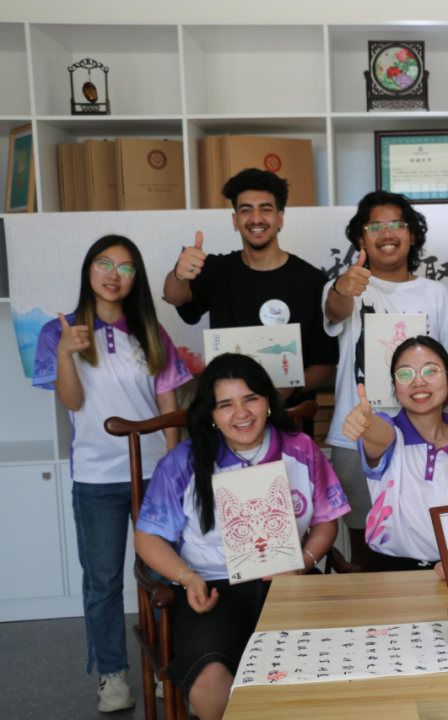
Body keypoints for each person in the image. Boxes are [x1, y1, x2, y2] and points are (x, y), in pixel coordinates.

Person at [134, 354, 349, 720]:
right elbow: (147, 538)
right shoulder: (184, 461)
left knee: (332, 663)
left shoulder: (300, 448)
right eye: (225, 404)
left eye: (251, 398)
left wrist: (303, 563)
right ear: (211, 414)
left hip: (289, 583)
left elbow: (327, 522)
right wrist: (188, 578)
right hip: (212, 589)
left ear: (268, 401)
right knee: (210, 681)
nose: (241, 413)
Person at [32, 235, 192, 712]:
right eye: (104, 263)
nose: (113, 275)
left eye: (125, 268)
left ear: (135, 278)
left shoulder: (149, 330)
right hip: (96, 478)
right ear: (89, 269)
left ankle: (166, 668)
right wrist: (66, 353)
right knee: (102, 582)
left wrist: (176, 467)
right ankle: (113, 676)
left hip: (154, 476)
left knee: (166, 576)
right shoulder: (58, 330)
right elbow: (72, 401)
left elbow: (167, 403)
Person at [324, 191, 448, 563]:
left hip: (424, 439)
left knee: (429, 536)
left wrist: (428, 412)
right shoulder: (348, 287)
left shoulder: (436, 294)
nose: (386, 234)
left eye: (396, 225)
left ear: (412, 234)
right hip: (356, 434)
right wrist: (342, 287)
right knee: (364, 541)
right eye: (375, 226)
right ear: (361, 237)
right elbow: (334, 310)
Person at [163, 168, 337, 415]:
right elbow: (176, 297)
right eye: (246, 210)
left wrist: (291, 387)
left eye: (265, 209)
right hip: (229, 417)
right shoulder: (216, 270)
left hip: (290, 419)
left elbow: (326, 364)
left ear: (280, 218)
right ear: (235, 221)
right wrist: (179, 274)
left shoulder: (313, 281)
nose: (256, 219)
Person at [340, 336, 448, 571]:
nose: (418, 381)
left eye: (430, 371)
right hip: (388, 571)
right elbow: (378, 432)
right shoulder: (389, 432)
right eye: (405, 374)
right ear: (394, 387)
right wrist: (365, 422)